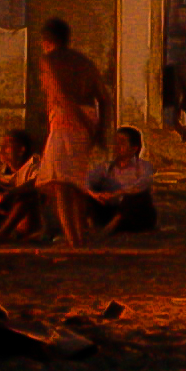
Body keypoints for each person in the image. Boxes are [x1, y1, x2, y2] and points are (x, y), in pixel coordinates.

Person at [36, 17, 111, 247]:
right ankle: (78, 235)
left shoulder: (49, 60)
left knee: (61, 183)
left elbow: (61, 95)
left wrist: (84, 123)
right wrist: (99, 129)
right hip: (87, 118)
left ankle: (73, 239)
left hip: (67, 120)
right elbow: (104, 98)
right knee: (75, 183)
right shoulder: (85, 62)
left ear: (47, 40)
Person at [87, 126, 158, 234]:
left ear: (134, 148)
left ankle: (110, 227)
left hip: (135, 214)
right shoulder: (106, 167)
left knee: (138, 195)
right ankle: (92, 225)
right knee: (85, 191)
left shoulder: (143, 166)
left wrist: (116, 194)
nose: (116, 146)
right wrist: (95, 195)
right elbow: (86, 180)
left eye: (121, 143)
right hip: (111, 210)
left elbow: (142, 184)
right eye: (115, 142)